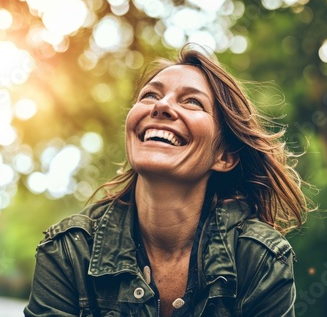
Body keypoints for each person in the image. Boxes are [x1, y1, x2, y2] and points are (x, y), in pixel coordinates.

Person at [24, 43, 312, 317]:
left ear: (224, 156)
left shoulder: (259, 259)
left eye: (192, 102)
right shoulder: (68, 252)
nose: (161, 106)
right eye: (150, 95)